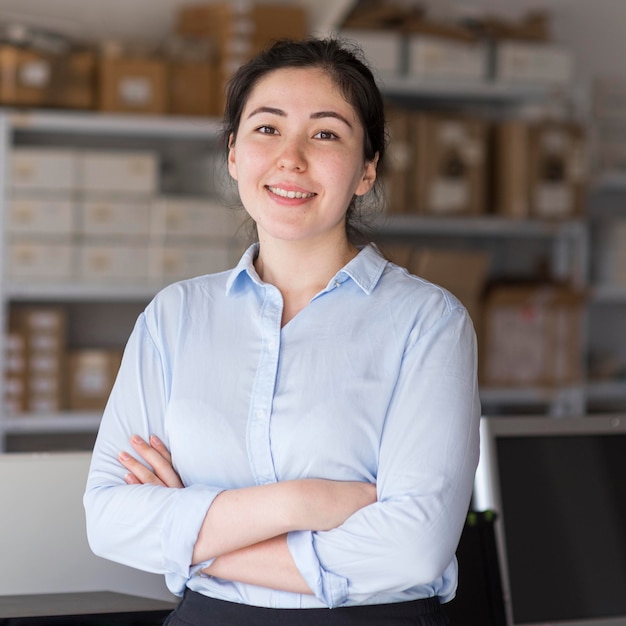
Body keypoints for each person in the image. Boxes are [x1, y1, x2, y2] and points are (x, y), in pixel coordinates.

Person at [83, 37, 480, 625]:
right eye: (267, 129)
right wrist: (306, 502)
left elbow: (413, 549)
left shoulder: (428, 322)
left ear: (367, 169)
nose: (290, 157)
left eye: (325, 134)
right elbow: (110, 521)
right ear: (235, 154)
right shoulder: (175, 317)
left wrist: (192, 544)